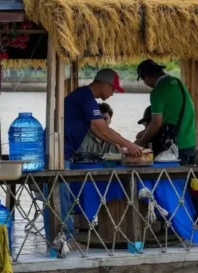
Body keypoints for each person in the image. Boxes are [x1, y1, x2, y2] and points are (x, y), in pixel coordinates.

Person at [61, 68, 142, 237]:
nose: (112, 94)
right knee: (61, 199)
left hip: (65, 151)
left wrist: (119, 146)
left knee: (64, 198)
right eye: (112, 89)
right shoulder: (85, 97)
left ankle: (65, 237)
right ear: (105, 84)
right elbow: (101, 127)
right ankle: (63, 240)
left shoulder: (84, 96)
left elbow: (95, 128)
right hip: (60, 152)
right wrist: (130, 145)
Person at [135, 60, 196, 165]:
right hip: (190, 142)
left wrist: (140, 143)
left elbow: (156, 123)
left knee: (170, 180)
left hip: (174, 147)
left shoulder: (158, 91)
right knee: (186, 179)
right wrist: (145, 132)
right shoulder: (178, 82)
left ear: (147, 77)